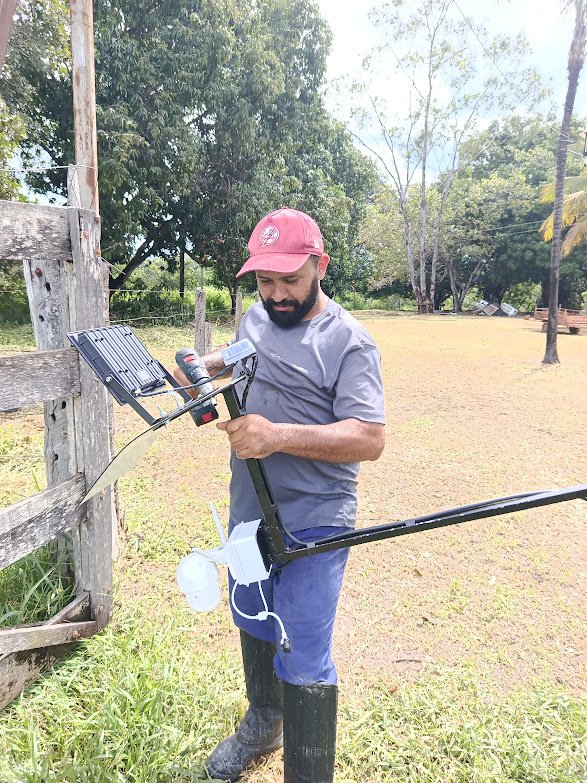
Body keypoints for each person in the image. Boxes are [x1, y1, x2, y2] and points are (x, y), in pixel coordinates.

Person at [175, 206, 385, 783]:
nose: (277, 294)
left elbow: (370, 438)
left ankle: (307, 774)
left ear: (320, 265)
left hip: (315, 521)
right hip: (250, 512)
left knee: (304, 652)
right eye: (265, 281)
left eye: (290, 280)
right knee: (255, 622)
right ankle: (263, 725)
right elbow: (248, 354)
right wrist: (206, 362)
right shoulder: (257, 319)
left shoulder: (349, 342)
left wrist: (276, 436)